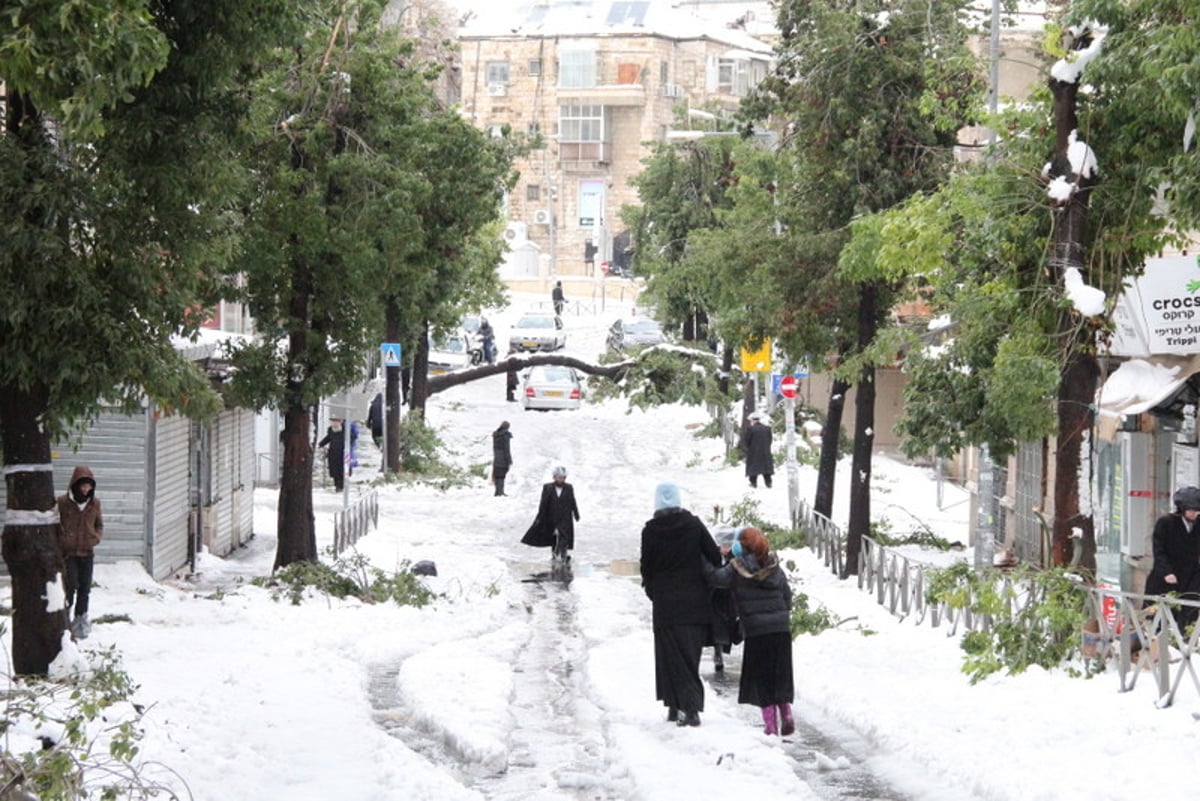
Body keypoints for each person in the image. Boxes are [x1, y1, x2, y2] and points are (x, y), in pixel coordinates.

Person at [640, 481, 723, 727]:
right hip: (695, 603)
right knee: (690, 655)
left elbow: (647, 567)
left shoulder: (650, 531)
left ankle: (678, 706)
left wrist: (654, 591)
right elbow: (715, 556)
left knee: (668, 656)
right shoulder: (694, 525)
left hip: (666, 604)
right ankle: (689, 706)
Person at [706, 525, 795, 736]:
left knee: (763, 676)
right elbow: (787, 597)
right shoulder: (775, 566)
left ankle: (771, 725)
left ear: (740, 546)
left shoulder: (737, 567)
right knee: (780, 673)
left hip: (757, 631)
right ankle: (787, 714)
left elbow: (716, 578)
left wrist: (702, 560)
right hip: (781, 628)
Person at [56, 465, 104, 640]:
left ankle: (81, 620)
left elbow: (99, 524)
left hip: (87, 552)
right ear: (75, 485)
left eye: (89, 486)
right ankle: (65, 619)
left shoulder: (95, 504)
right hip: (68, 553)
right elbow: (55, 524)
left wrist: (96, 538)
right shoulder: (63, 502)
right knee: (70, 586)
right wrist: (61, 541)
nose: (86, 489)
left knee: (85, 588)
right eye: (83, 485)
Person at [1144, 485, 1200, 629]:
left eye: (1197, 510)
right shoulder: (1166, 523)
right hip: (1167, 576)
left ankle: (1184, 642)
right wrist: (1167, 572)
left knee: (1188, 612)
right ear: (1182, 509)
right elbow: (1159, 549)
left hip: (1190, 576)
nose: (1195, 514)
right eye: (1191, 510)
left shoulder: (1197, 524)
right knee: (1162, 615)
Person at [521, 465, 580, 562]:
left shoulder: (569, 488)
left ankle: (563, 554)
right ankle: (555, 554)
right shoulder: (548, 488)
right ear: (554, 477)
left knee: (564, 536)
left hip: (565, 517)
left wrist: (576, 514)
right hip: (551, 517)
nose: (561, 480)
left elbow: (572, 501)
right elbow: (543, 503)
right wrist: (540, 517)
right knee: (554, 537)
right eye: (559, 477)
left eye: (563, 478)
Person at [709, 526, 743, 673]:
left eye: (728, 545)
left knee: (729, 626)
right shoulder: (714, 556)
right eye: (724, 545)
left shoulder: (735, 556)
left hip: (729, 599)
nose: (726, 548)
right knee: (718, 628)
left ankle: (721, 649)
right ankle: (718, 653)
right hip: (716, 597)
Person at [744, 410, 774, 489]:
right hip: (765, 451)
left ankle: (753, 483)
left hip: (754, 452)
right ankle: (768, 483)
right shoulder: (767, 429)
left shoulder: (751, 429)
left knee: (753, 468)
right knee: (766, 469)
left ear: (753, 420)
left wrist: (749, 448)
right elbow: (770, 440)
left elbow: (747, 441)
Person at [318, 418, 346, 491]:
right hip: (333, 452)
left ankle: (341, 485)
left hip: (342, 452)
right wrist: (320, 444)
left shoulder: (344, 430)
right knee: (334, 470)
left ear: (340, 422)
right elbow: (328, 438)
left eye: (336, 421)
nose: (334, 423)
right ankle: (337, 485)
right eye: (332, 422)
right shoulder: (330, 430)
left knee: (341, 469)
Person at [492, 421, 513, 497]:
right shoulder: (505, 435)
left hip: (496, 457)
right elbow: (507, 449)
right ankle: (501, 492)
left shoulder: (495, 435)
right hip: (503, 458)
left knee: (497, 475)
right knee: (502, 475)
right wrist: (509, 460)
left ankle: (497, 491)